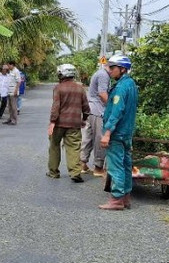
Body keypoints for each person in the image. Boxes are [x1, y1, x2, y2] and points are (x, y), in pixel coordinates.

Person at [99, 55, 139, 211]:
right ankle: (125, 199)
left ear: (122, 69)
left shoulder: (121, 88)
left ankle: (116, 200)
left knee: (116, 167)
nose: (109, 71)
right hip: (127, 133)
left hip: (117, 133)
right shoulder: (130, 84)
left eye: (112, 67)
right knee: (126, 165)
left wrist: (107, 132)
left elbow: (117, 111)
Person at [47, 64, 90, 182]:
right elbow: (86, 107)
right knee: (74, 148)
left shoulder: (58, 88)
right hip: (74, 124)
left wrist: (52, 122)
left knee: (54, 146)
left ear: (62, 74)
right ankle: (75, 172)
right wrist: (84, 119)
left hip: (59, 123)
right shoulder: (80, 88)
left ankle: (53, 172)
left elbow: (55, 107)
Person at [80, 64, 111, 177]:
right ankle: (98, 167)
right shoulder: (104, 75)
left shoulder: (100, 73)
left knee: (88, 136)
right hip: (98, 110)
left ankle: (82, 163)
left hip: (91, 109)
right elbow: (102, 94)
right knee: (100, 138)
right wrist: (113, 107)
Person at [3, 60, 21, 125]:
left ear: (12, 65)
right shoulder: (10, 71)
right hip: (9, 91)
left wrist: (16, 90)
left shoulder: (16, 71)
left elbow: (19, 81)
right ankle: (10, 119)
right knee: (9, 107)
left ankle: (14, 120)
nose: (8, 66)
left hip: (13, 91)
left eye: (9, 65)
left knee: (14, 107)